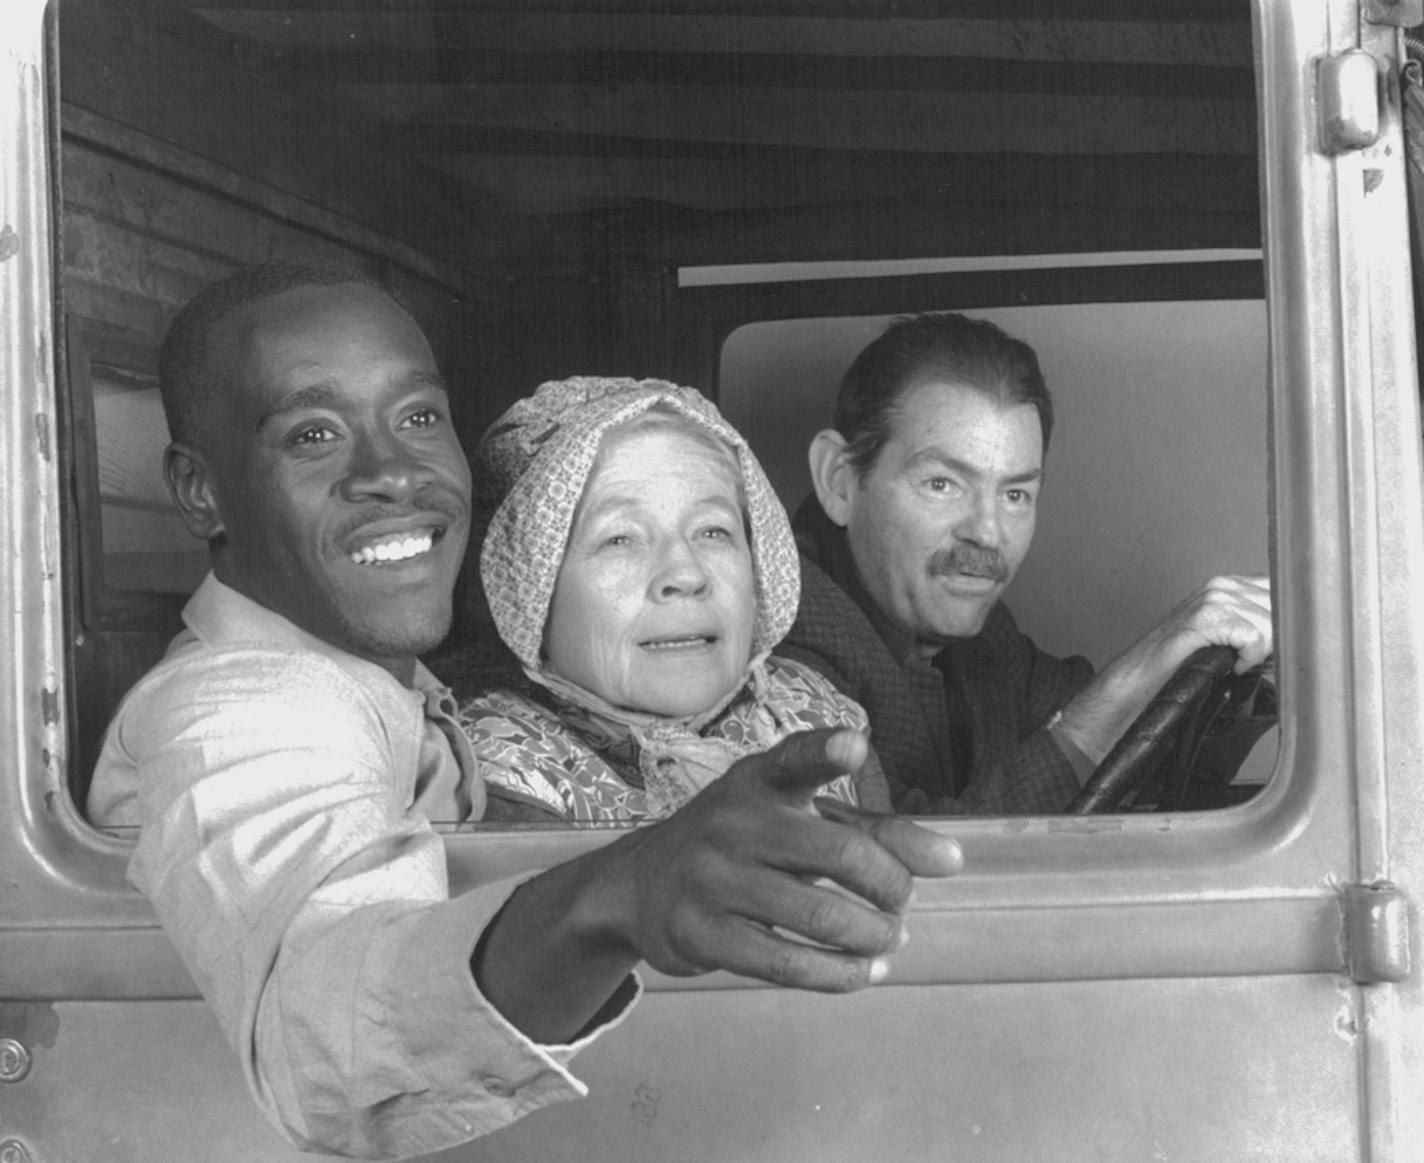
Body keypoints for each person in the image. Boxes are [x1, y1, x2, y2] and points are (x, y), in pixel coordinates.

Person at [85, 261, 963, 1160]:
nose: (392, 472)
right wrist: (614, 893)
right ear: (200, 491)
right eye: (313, 434)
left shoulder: (370, 678)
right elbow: (321, 1030)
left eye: (419, 417)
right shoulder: (233, 706)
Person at [778, 311, 1274, 815]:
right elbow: (901, 862)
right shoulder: (781, 647)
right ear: (839, 480)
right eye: (942, 484)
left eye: (1015, 493)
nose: (988, 533)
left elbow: (1150, 767)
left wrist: (1253, 663)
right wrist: (1139, 672)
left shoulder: (984, 641)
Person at [453, 375, 889, 822]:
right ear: (529, 591)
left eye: (713, 531)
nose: (686, 574)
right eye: (619, 539)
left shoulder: (814, 710)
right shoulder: (498, 769)